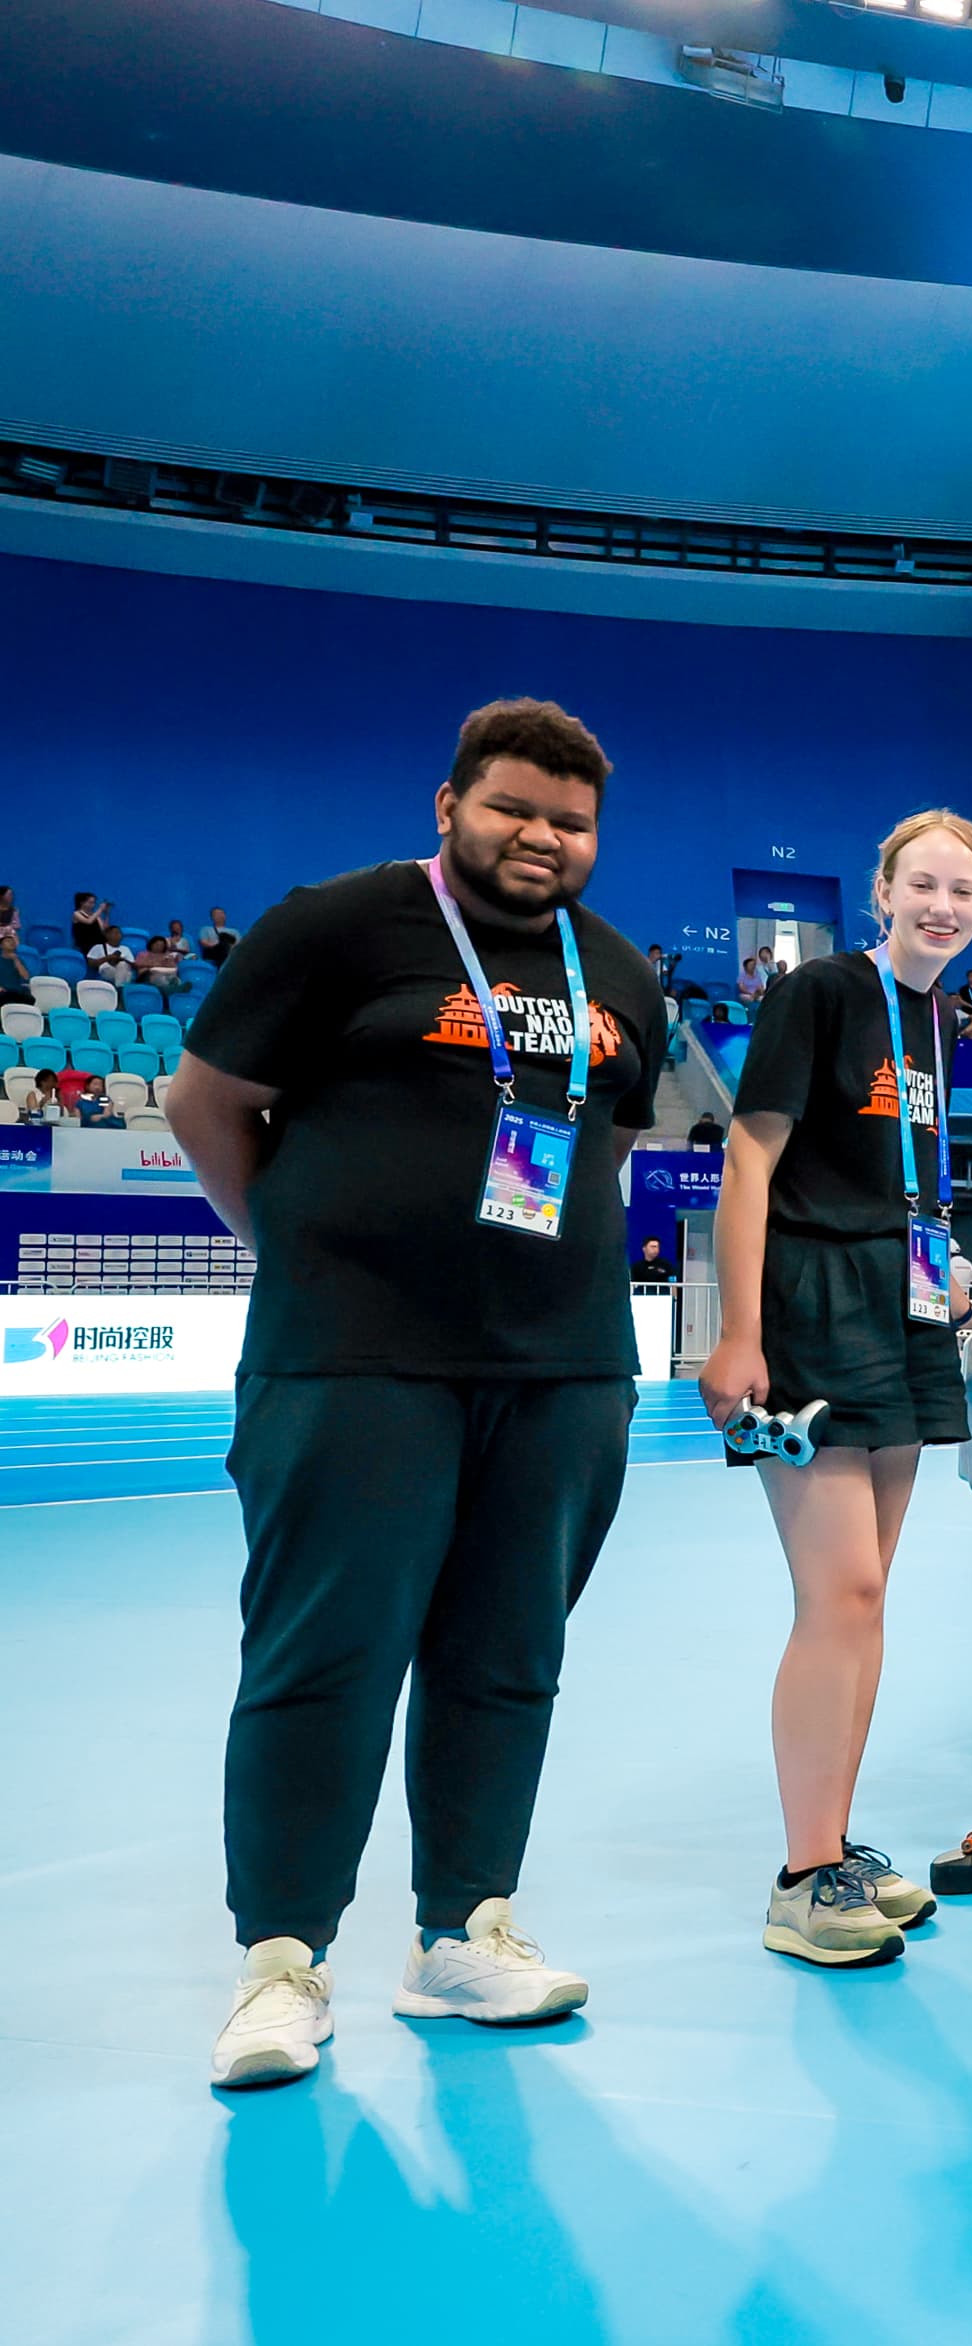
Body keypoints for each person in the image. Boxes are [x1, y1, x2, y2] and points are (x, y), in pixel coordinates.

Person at [168, 698, 666, 2091]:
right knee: (325, 1656)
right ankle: (279, 1961)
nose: (542, 836)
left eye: (571, 822)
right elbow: (208, 1104)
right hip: (353, 1357)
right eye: (514, 807)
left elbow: (608, 1149)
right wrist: (303, 1254)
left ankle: (463, 1929)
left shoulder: (619, 970)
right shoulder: (337, 926)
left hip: (563, 1367)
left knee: (508, 1656)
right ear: (446, 804)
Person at [704, 810, 972, 1970]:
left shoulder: (936, 1019)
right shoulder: (821, 992)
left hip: (904, 1302)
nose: (942, 903)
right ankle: (798, 1878)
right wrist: (738, 1334)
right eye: (921, 883)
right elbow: (749, 1157)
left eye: (963, 890)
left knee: (866, 1602)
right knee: (841, 1593)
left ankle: (831, 1845)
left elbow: (893, 1170)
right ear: (882, 891)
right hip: (812, 1303)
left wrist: (949, 1261)